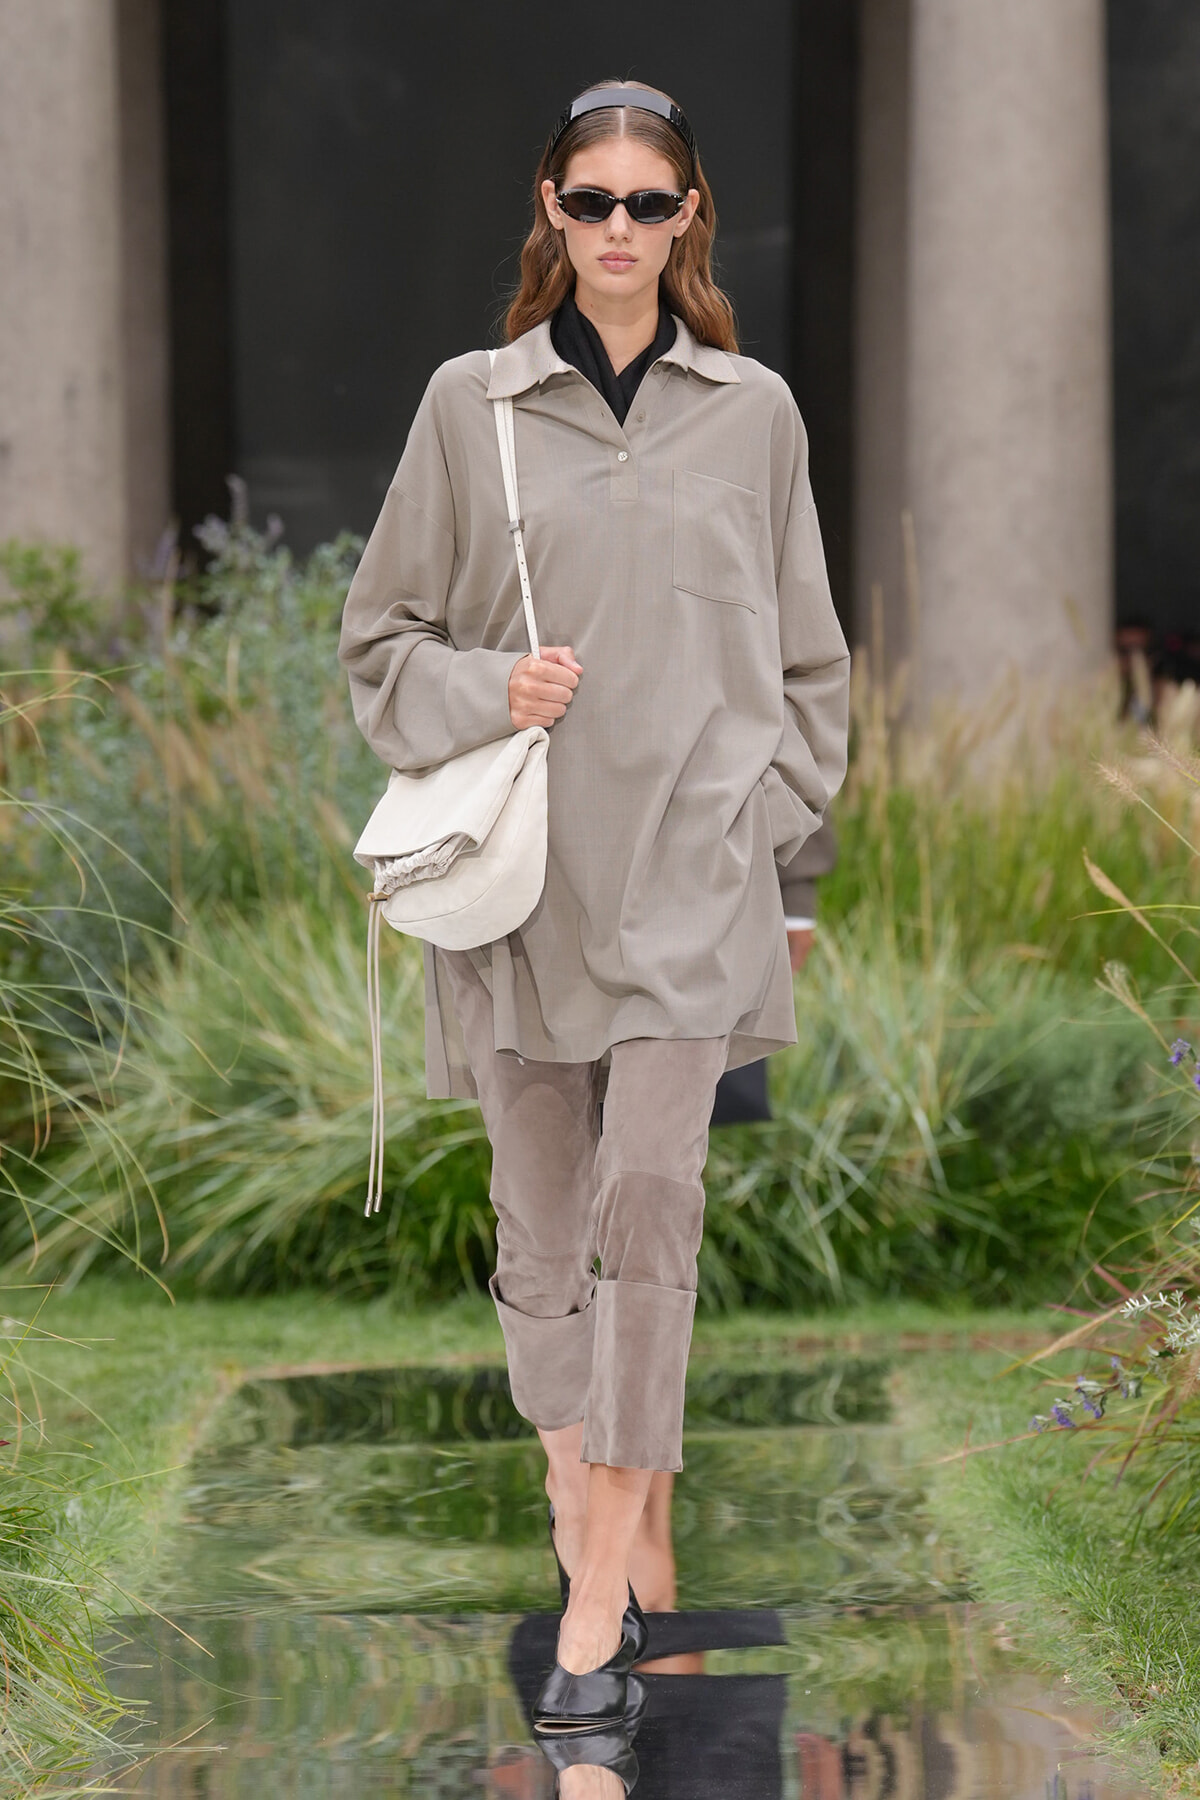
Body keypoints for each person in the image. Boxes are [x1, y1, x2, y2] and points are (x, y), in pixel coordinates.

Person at [338, 78, 850, 1734]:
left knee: (653, 1205)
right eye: (591, 202)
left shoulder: (754, 412)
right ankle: (588, 1494)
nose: (620, 231)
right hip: (524, 889)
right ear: (550, 213)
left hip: (693, 888)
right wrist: (498, 688)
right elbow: (376, 646)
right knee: (545, 1238)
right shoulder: (468, 405)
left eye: (650, 202)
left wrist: (779, 854)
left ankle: (601, 1573)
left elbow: (811, 668)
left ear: (689, 215)